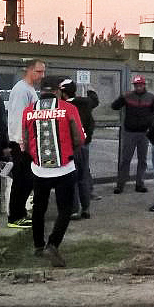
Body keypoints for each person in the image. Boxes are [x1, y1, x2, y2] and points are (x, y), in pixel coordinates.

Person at [23, 75, 85, 267]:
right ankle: (53, 243)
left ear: (41, 91)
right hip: (64, 167)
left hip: (39, 169)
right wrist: (70, 150)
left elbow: (25, 141)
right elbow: (79, 138)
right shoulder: (69, 108)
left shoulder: (28, 110)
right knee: (65, 209)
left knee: (39, 209)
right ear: (58, 91)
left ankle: (38, 245)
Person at [6, 59, 45, 229]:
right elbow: (19, 118)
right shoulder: (21, 90)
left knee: (27, 180)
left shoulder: (29, 89)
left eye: (43, 72)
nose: (42, 75)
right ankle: (15, 216)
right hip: (22, 143)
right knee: (22, 180)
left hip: (28, 142)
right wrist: (22, 143)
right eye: (38, 71)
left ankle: (19, 213)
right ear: (29, 70)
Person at [111, 76, 154, 194]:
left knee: (142, 160)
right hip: (129, 133)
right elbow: (114, 106)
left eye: (140, 85)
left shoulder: (151, 98)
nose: (138, 87)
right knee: (125, 159)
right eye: (136, 85)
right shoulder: (128, 96)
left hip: (144, 133)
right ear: (134, 85)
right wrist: (122, 97)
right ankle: (120, 185)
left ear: (144, 85)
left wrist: (150, 126)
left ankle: (140, 184)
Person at [59, 80, 96, 220]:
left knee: (71, 178)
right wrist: (90, 90)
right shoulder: (85, 102)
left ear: (64, 92)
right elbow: (95, 100)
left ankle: (74, 209)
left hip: (70, 146)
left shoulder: (64, 106)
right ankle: (86, 208)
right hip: (84, 144)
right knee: (83, 177)